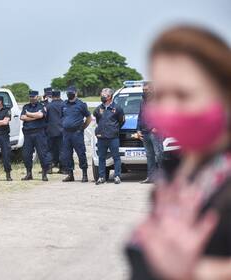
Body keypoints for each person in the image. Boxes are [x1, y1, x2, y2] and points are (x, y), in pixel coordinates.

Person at [126, 25, 231, 280]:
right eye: (161, 95)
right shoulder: (174, 173)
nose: (170, 108)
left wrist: (201, 273)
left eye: (183, 94)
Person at [93, 88, 125, 185]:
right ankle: (101, 177)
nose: (102, 96)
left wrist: (114, 129)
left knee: (116, 157)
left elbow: (121, 121)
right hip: (101, 137)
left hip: (113, 137)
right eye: (101, 94)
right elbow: (98, 120)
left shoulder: (117, 108)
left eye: (104, 95)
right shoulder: (98, 109)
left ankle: (117, 176)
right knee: (101, 158)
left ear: (110, 96)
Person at [61, 86, 92, 183]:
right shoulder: (64, 104)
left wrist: (82, 128)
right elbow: (62, 117)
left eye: (71, 92)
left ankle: (84, 174)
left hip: (77, 133)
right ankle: (70, 175)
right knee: (67, 155)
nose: (69, 94)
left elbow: (89, 117)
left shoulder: (81, 104)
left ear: (76, 93)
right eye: (68, 93)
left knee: (81, 153)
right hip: (66, 134)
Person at [20, 90, 52, 181]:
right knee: (26, 154)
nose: (31, 98)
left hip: (39, 133)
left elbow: (40, 115)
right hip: (28, 134)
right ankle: (29, 173)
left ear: (37, 97)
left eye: (33, 97)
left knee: (42, 154)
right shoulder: (25, 106)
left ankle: (44, 174)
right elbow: (22, 117)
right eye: (30, 96)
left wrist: (29, 114)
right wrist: (34, 116)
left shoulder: (41, 106)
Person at [137, 82, 164, 184]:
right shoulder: (142, 101)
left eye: (146, 90)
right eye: (143, 90)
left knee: (159, 154)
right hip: (144, 132)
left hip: (155, 132)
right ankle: (150, 177)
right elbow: (140, 116)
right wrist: (138, 129)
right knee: (149, 156)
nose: (144, 92)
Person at [45, 90, 64, 173]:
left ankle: (49, 168)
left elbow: (45, 118)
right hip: (62, 130)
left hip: (50, 131)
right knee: (62, 149)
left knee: (49, 150)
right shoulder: (64, 104)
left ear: (52, 96)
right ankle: (63, 168)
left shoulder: (48, 106)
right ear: (59, 96)